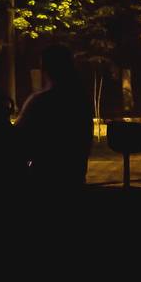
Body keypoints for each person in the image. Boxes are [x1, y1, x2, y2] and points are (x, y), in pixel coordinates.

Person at [13, 42, 93, 192]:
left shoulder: (40, 102)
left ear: (45, 69)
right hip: (74, 179)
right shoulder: (81, 101)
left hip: (43, 180)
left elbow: (18, 141)